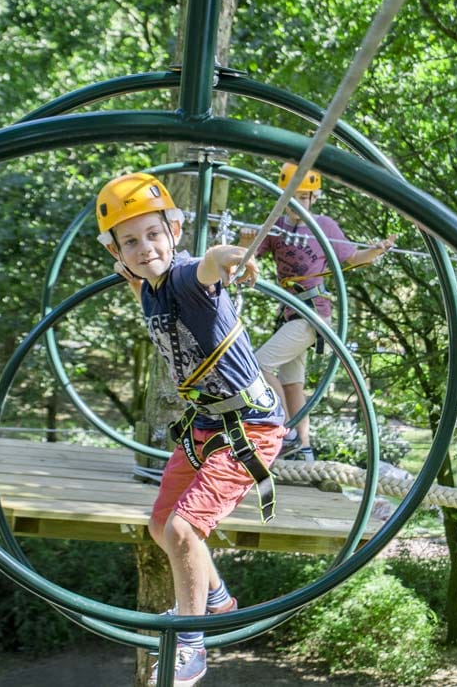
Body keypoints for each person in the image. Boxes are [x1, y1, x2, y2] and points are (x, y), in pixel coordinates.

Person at [97, 172, 286, 687]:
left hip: (249, 427)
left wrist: (231, 257)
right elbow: (137, 272)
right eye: (130, 241)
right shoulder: (148, 289)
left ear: (175, 230)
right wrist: (130, 265)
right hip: (205, 425)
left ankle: (193, 642)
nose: (144, 248)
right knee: (161, 525)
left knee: (183, 529)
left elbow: (210, 265)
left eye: (154, 234)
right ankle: (218, 597)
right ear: (117, 251)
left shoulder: (183, 278)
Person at [241, 163, 396, 461]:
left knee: (259, 365)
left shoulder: (324, 226)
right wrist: (247, 241)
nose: (299, 202)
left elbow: (352, 259)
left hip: (312, 313)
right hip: (289, 313)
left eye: (306, 196)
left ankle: (282, 430)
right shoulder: (276, 225)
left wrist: (376, 251)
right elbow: (243, 261)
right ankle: (304, 447)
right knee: (291, 383)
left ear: (315, 197)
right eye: (294, 195)